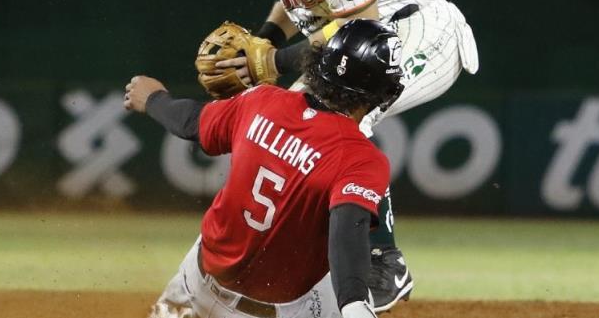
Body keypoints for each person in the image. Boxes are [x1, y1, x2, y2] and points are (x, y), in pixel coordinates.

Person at [191, 0, 480, 311]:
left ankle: (384, 258)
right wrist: (263, 41)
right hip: (363, 39)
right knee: (288, 119)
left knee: (342, 115)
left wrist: (273, 61)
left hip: (419, 29)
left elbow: (361, 22)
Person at [125, 19, 406, 318]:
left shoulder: (262, 100)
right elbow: (348, 232)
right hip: (271, 310)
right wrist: (353, 304)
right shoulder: (361, 158)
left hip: (192, 288)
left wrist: (154, 99)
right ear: (382, 93)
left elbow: (191, 122)